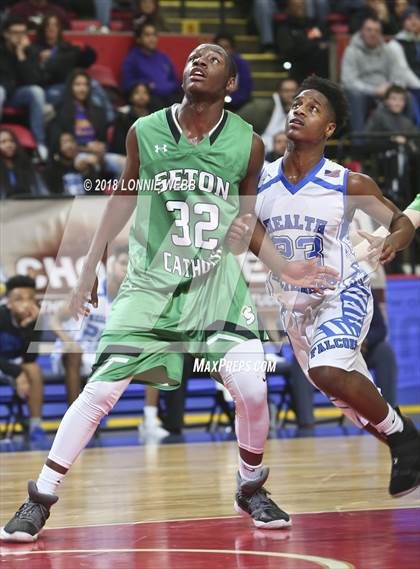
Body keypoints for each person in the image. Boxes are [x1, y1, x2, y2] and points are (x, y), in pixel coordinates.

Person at [0, 42, 337, 542]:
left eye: (213, 59)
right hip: (150, 287)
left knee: (252, 388)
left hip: (215, 286)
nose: (197, 61)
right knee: (101, 390)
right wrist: (91, 263)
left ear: (231, 85)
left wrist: (287, 266)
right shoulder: (146, 130)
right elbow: (122, 196)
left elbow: (247, 224)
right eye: (193, 57)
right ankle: (39, 498)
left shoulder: (248, 143)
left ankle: (250, 487)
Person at [230, 75, 418, 499]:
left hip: (342, 293)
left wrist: (394, 239)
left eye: (312, 108)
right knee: (356, 407)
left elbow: (401, 221)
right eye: (296, 103)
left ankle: (406, 438)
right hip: (295, 312)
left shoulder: (347, 183)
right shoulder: (260, 179)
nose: (298, 110)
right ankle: (405, 443)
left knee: (327, 370)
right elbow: (244, 229)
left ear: (329, 129)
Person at [49, 246, 129, 405]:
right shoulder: (90, 289)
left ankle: (150, 417)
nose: (128, 269)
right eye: (123, 263)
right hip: (73, 353)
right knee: (74, 354)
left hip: (99, 356)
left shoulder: (131, 299)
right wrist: (68, 341)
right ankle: (73, 417)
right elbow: (54, 320)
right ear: (111, 265)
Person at [50, 70, 124, 180]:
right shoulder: (61, 112)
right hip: (76, 155)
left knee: (127, 164)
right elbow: (62, 145)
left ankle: (118, 195)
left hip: (99, 155)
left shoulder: (98, 111)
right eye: (78, 85)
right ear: (70, 87)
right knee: (87, 162)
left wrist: (100, 148)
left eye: (85, 85)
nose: (82, 89)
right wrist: (86, 147)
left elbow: (102, 141)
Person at [0, 275, 45, 441]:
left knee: (34, 369)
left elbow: (30, 358)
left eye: (30, 299)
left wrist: (28, 327)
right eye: (19, 299)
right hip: (4, 365)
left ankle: (35, 426)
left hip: (17, 366)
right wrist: (17, 373)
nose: (25, 303)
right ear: (8, 302)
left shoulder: (35, 319)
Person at [341, 15, 401, 132]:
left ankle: (408, 141)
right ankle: (359, 142)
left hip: (385, 91)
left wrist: (390, 88)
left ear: (381, 33)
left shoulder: (388, 50)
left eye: (376, 31)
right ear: (362, 31)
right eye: (369, 30)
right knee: (356, 95)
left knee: (405, 96)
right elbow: (349, 81)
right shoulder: (351, 51)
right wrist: (374, 90)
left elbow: (397, 74)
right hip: (361, 92)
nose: (372, 34)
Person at [0, 16, 49, 161]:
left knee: (37, 92)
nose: (19, 37)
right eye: (15, 32)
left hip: (17, 96)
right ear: (5, 34)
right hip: (2, 93)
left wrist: (21, 56)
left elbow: (34, 81)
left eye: (23, 33)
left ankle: (40, 143)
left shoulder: (29, 52)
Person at [121, 21, 180, 109]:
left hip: (171, 95)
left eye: (154, 35)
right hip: (152, 97)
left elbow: (174, 80)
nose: (152, 38)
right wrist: (146, 85)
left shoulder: (163, 57)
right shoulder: (132, 59)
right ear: (139, 39)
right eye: (147, 35)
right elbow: (127, 84)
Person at [274, 0, 330, 82]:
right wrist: (315, 46)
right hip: (297, 67)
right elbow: (289, 52)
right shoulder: (284, 28)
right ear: (288, 8)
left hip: (318, 65)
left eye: (302, 6)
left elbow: (325, 40)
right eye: (296, 6)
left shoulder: (313, 24)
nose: (300, 8)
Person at [0, 127, 46, 197]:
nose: (9, 145)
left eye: (12, 141)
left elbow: (42, 192)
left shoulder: (26, 165)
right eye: (3, 142)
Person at [214, 31, 253, 111]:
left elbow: (245, 90)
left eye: (226, 47)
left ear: (232, 49)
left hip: (237, 105)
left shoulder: (241, 64)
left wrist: (229, 100)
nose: (222, 50)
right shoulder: (209, 64)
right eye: (219, 47)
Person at [109, 83, 151, 155]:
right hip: (126, 155)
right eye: (137, 92)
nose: (141, 96)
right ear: (131, 97)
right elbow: (119, 144)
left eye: (145, 93)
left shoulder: (154, 116)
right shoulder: (123, 116)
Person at [261, 78, 298, 152]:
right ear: (279, 92)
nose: (291, 94)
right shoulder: (262, 107)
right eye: (286, 91)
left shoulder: (302, 110)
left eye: (293, 91)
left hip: (289, 154)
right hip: (264, 154)